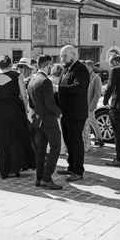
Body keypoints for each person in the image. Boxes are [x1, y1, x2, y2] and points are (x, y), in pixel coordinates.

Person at [0, 55, 35, 178]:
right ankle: (19, 165)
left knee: (3, 138)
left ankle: (6, 168)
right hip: (14, 108)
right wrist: (25, 108)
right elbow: (23, 95)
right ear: (10, 64)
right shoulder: (16, 76)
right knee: (19, 135)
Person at [28, 55, 62, 189]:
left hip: (37, 120)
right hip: (48, 120)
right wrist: (59, 111)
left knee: (40, 150)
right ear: (47, 65)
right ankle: (46, 178)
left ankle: (39, 178)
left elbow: (31, 103)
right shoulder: (45, 81)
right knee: (55, 147)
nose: (52, 68)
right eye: (51, 65)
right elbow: (50, 104)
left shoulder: (32, 80)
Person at [56, 45, 90, 182]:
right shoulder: (66, 69)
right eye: (61, 56)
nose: (62, 58)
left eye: (64, 55)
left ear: (73, 55)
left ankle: (78, 170)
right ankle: (71, 165)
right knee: (69, 141)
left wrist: (58, 88)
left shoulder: (80, 69)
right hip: (66, 112)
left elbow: (78, 87)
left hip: (76, 113)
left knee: (76, 142)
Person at [83, 60, 104, 149]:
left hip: (89, 104)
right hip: (83, 104)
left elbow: (97, 93)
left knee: (92, 121)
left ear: (91, 67)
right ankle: (97, 138)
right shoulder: (85, 76)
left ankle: (99, 138)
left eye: (87, 67)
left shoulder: (96, 78)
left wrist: (92, 105)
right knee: (90, 121)